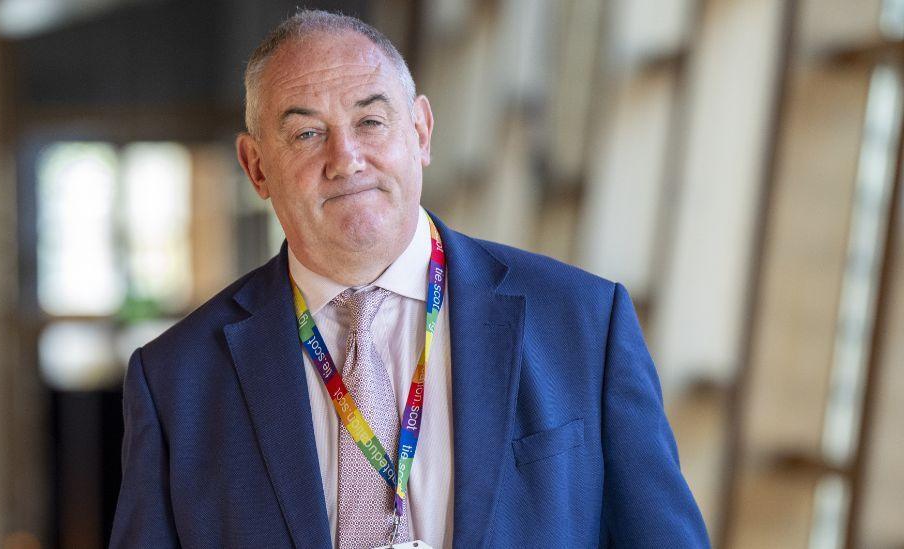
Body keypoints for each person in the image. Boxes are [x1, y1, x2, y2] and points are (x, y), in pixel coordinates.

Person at [109, 9, 710, 549]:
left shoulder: (582, 323)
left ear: (420, 132)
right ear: (256, 165)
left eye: (371, 120)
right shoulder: (176, 380)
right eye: (306, 133)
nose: (346, 158)